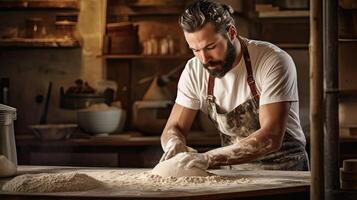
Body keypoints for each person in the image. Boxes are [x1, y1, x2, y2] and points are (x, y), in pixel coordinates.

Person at [159, 0, 309, 171]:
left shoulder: (272, 61)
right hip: (234, 174)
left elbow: (270, 136)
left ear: (231, 32)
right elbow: (174, 127)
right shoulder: (194, 70)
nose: (204, 59)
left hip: (285, 172)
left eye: (211, 47)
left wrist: (208, 158)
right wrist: (174, 142)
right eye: (195, 50)